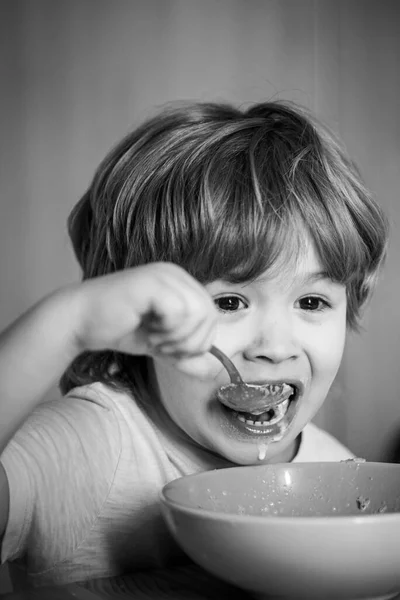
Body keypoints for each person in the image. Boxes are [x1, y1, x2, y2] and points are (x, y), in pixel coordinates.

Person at [0, 100, 388, 590]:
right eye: (228, 302)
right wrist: (67, 323)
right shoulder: (90, 445)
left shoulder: (337, 476)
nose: (275, 346)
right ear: (144, 317)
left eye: (311, 301)